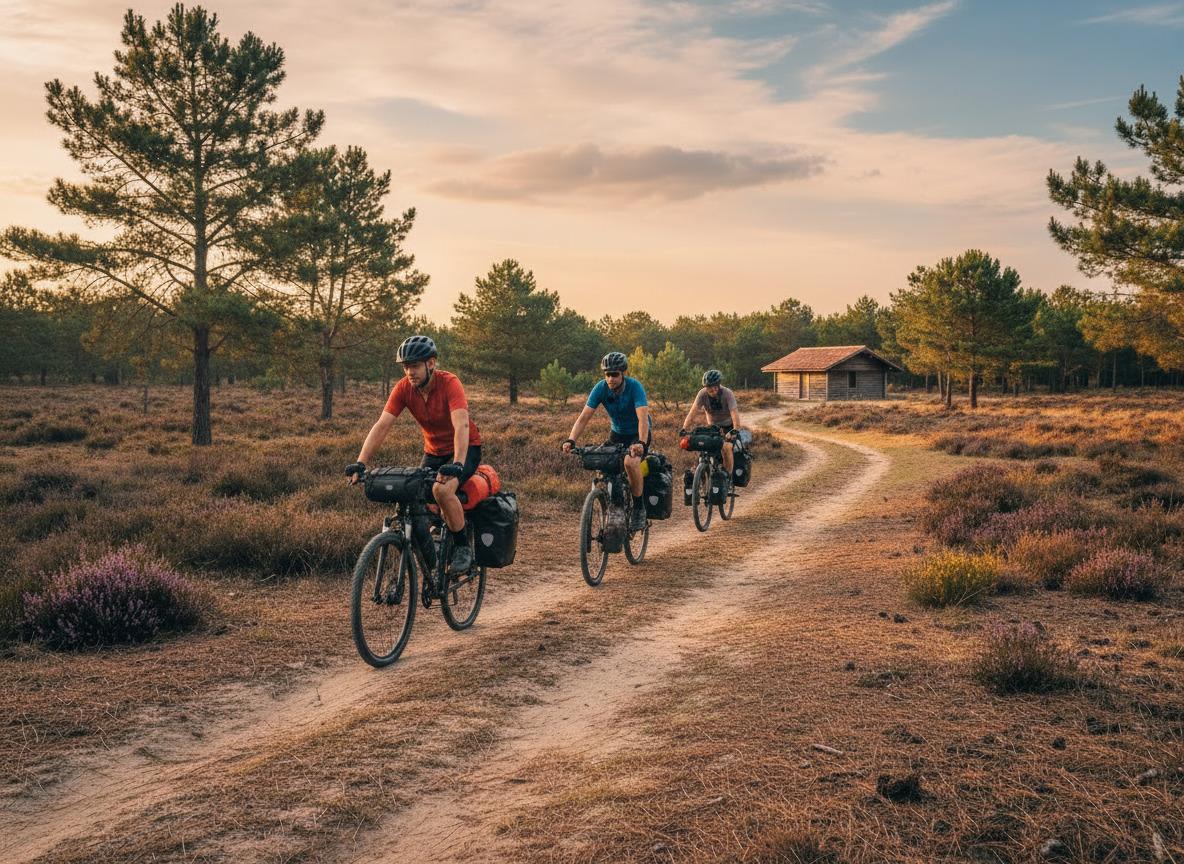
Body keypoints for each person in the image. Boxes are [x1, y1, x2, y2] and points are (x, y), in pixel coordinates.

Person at [346, 335, 482, 574]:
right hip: (434, 451)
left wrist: (458, 464)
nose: (410, 372)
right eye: (406, 366)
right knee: (413, 496)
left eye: (415, 365)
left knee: (441, 489)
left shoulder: (450, 383)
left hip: (465, 448)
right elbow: (382, 425)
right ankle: (435, 559)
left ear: (431, 363)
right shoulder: (403, 389)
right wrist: (361, 462)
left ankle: (463, 549)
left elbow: (461, 425)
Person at [561, 351, 651, 531]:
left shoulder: (635, 387)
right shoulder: (600, 388)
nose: (611, 378)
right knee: (607, 464)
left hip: (638, 433)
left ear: (622, 373)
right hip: (617, 433)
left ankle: (639, 508)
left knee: (630, 463)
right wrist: (571, 439)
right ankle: (615, 503)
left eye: (615, 374)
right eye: (607, 374)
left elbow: (642, 418)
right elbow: (584, 417)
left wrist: (641, 443)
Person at [680, 369, 741, 477]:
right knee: (704, 447)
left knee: (726, 448)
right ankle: (701, 478)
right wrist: (684, 428)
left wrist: (735, 430)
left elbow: (734, 414)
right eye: (709, 389)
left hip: (729, 426)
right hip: (713, 427)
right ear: (705, 387)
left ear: (719, 385)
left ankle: (727, 478)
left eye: (715, 388)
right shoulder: (702, 394)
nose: (712, 391)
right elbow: (693, 412)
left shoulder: (728, 394)